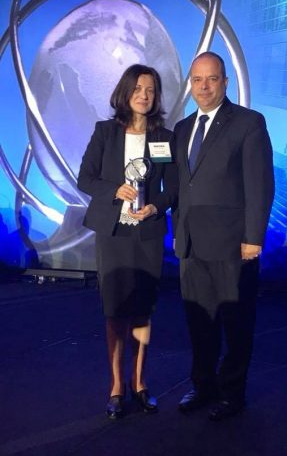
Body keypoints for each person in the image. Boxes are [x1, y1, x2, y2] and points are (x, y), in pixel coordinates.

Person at [173, 51, 274, 421]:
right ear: (190, 84)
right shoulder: (182, 128)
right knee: (199, 322)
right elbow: (181, 186)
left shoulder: (248, 122)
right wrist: (175, 228)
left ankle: (232, 394)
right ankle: (203, 386)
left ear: (225, 82)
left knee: (236, 324)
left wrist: (253, 238)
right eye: (197, 80)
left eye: (212, 79)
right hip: (191, 245)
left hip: (234, 246)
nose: (204, 87)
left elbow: (260, 185)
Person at [77, 64, 177, 419]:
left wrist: (155, 206)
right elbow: (85, 178)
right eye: (137, 88)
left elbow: (172, 187)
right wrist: (114, 190)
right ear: (125, 91)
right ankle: (117, 386)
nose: (144, 95)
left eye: (150, 90)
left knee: (143, 311)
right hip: (114, 234)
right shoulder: (105, 132)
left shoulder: (163, 137)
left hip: (147, 234)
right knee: (115, 312)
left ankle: (140, 383)